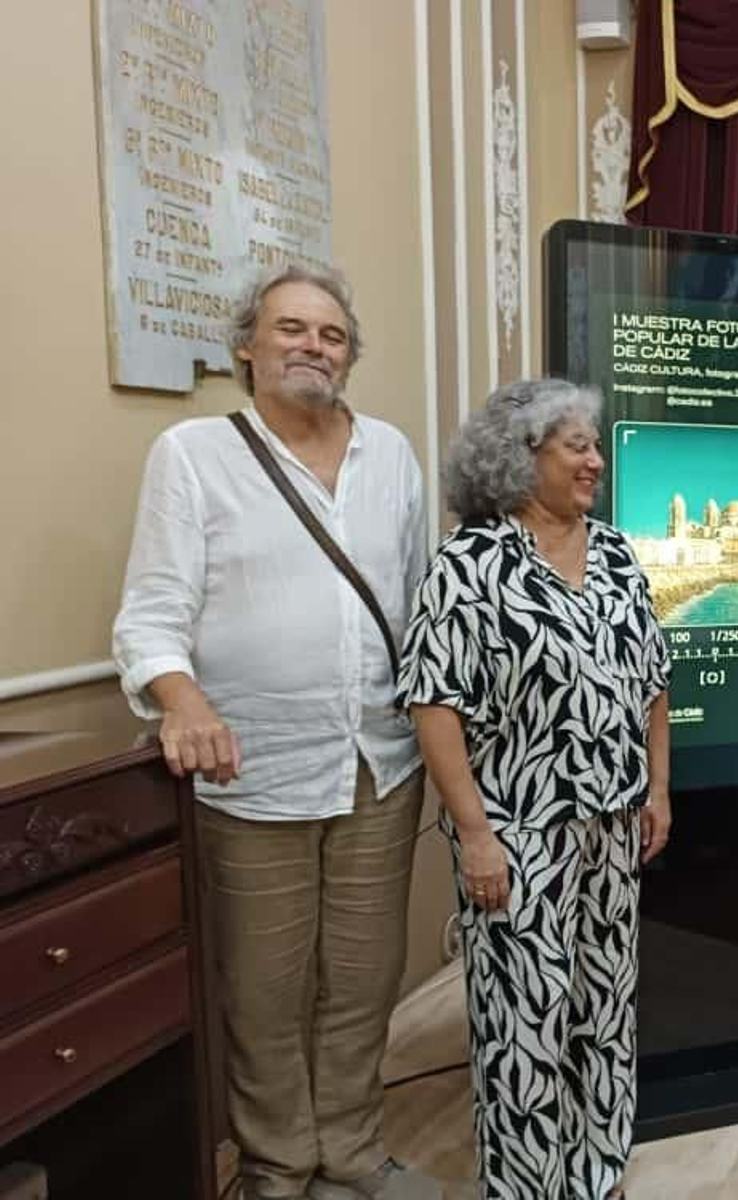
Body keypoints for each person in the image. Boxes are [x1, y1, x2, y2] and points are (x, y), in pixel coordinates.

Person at [112, 266, 438, 1200]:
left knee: (364, 978)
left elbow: (419, 606)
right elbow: (153, 612)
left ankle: (353, 1154)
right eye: (290, 328)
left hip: (380, 764)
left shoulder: (392, 455)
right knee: (262, 988)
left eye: (332, 335)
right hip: (252, 772)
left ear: (350, 356)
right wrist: (183, 701)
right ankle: (277, 1166)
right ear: (246, 346)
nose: (312, 346)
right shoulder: (192, 455)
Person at [397, 379, 671, 1200]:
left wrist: (659, 787)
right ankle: (528, 1184)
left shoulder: (618, 553)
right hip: (518, 831)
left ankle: (598, 1170)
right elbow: (434, 704)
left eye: (593, 445)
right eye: (576, 446)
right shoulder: (470, 565)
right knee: (525, 1014)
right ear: (521, 458)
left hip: (614, 825)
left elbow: (652, 676)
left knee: (603, 1003)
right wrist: (475, 834)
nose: (595, 461)